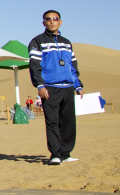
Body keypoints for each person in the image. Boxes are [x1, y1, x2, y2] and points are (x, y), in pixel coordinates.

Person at [29, 10, 83, 166]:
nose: (52, 21)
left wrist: (78, 85)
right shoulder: (37, 42)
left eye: (55, 19)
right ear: (43, 22)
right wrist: (40, 85)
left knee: (68, 122)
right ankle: (55, 154)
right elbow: (35, 65)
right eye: (48, 19)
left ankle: (66, 153)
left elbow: (73, 66)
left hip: (68, 87)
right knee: (52, 121)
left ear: (61, 22)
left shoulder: (67, 43)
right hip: (49, 88)